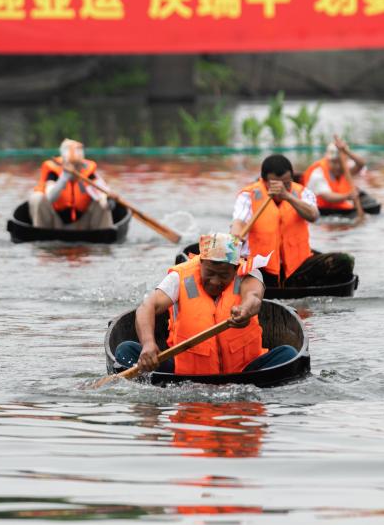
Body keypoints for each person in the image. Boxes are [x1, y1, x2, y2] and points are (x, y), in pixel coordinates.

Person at [115, 233, 298, 374]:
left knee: (288, 354)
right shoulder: (179, 277)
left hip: (243, 372)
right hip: (185, 374)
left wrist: (244, 310)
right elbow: (147, 307)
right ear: (200, 263)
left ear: (235, 268)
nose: (216, 281)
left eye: (224, 275)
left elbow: (254, 297)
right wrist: (148, 344)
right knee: (126, 350)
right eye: (210, 273)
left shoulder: (248, 273)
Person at [230, 154, 354, 288]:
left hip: (297, 268)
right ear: (264, 181)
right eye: (276, 185)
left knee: (344, 261)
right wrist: (236, 234)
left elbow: (314, 216)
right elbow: (239, 221)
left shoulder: (302, 193)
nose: (282, 188)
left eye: (287, 183)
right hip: (261, 270)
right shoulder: (249, 195)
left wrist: (288, 196)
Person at [28, 138, 114, 230]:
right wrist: (64, 177)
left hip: (83, 224)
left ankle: (103, 236)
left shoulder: (89, 172)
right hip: (55, 224)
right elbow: (50, 197)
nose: (75, 168)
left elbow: (101, 194)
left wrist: (106, 202)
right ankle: (41, 235)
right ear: (64, 162)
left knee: (104, 201)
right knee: (37, 197)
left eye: (78, 165)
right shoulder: (53, 172)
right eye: (72, 164)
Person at [302, 136, 366, 212]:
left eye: (340, 163)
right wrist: (347, 196)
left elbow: (361, 164)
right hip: (321, 211)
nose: (338, 166)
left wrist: (346, 151)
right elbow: (328, 196)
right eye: (334, 162)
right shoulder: (318, 173)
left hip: (339, 209)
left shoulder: (345, 168)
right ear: (328, 160)